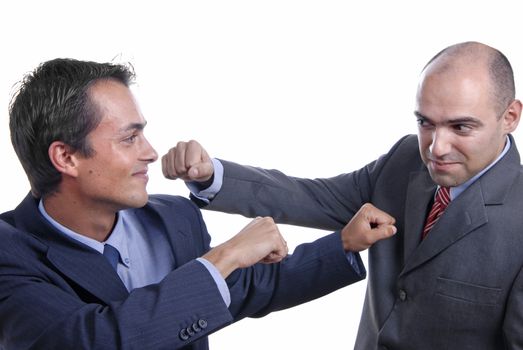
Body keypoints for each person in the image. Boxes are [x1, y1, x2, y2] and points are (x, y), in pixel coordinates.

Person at [0, 58, 397, 350]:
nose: (151, 153)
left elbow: (241, 289)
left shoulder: (173, 218)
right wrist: (223, 257)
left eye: (144, 135)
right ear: (66, 157)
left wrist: (344, 243)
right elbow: (97, 339)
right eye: (129, 138)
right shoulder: (9, 253)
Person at [163, 41, 523, 349]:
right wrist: (212, 175)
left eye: (461, 127)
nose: (436, 147)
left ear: (510, 116)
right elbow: (310, 197)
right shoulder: (404, 160)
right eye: (425, 123)